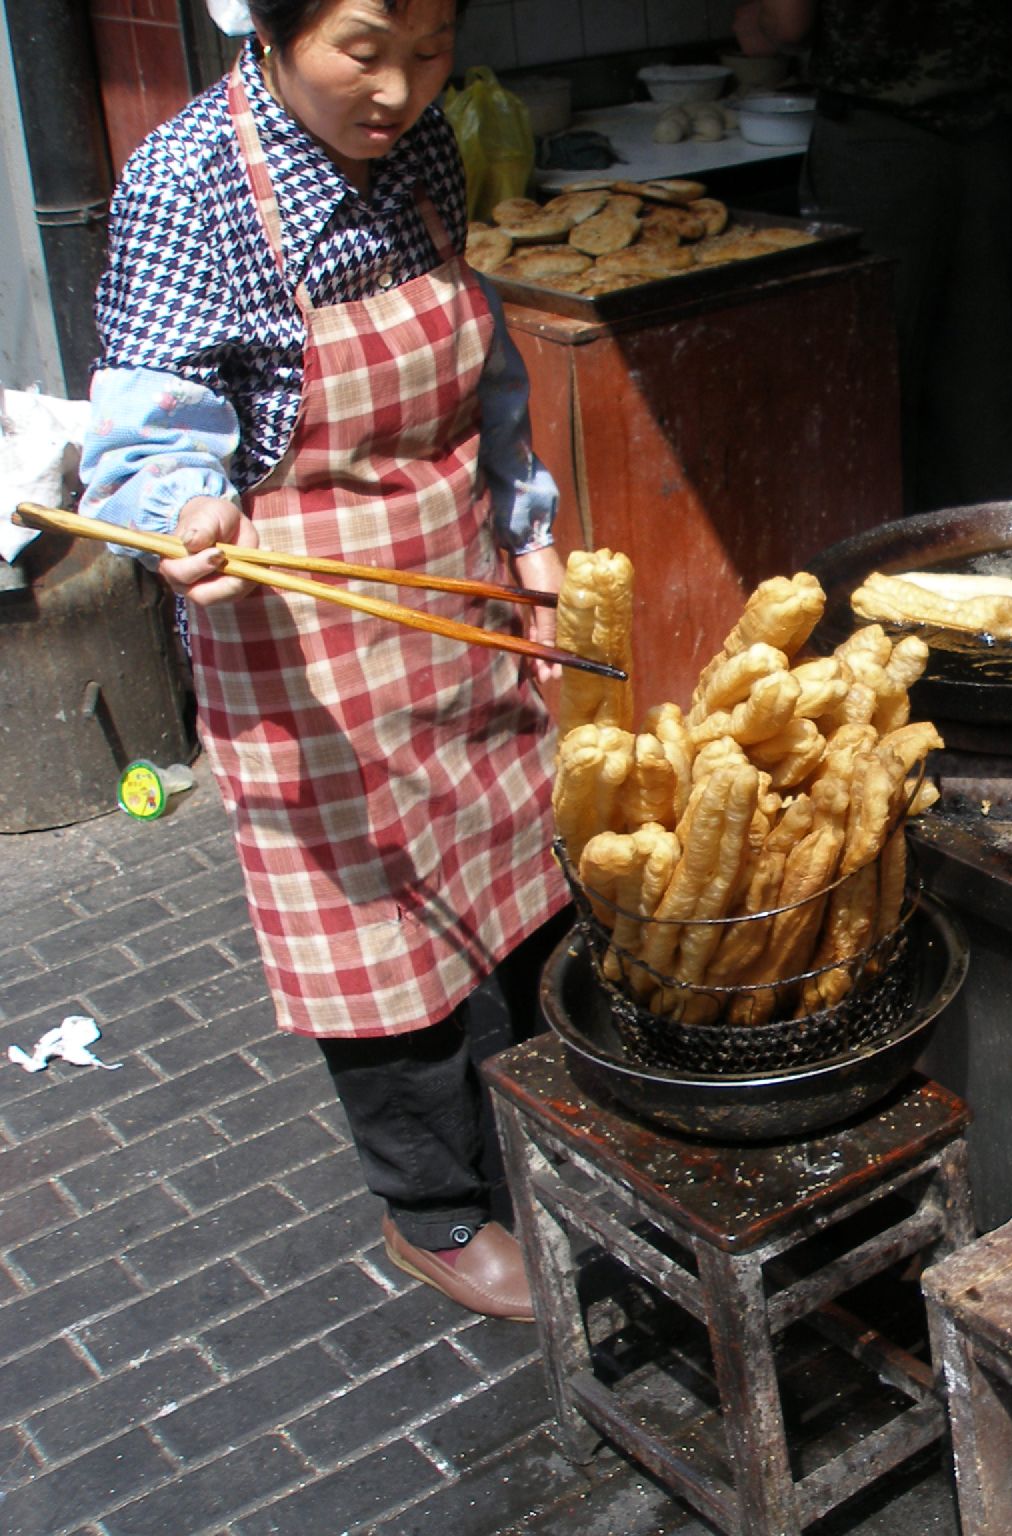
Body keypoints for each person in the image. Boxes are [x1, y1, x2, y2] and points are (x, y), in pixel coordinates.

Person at [80, 0, 566, 1323]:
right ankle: (437, 1213)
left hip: (450, 582)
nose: (402, 87)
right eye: (365, 46)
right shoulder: (189, 178)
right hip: (305, 627)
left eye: (430, 45)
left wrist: (526, 520)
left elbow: (486, 365)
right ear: (276, 23)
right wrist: (176, 509)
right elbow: (146, 425)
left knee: (524, 884)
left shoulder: (413, 150)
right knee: (381, 942)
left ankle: (547, 1145)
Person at [735, 0, 1012, 512]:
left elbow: (787, 22)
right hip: (983, 136)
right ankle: (990, 561)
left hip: (879, 146)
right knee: (977, 379)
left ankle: (878, 568)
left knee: (869, 375)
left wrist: (755, 23)